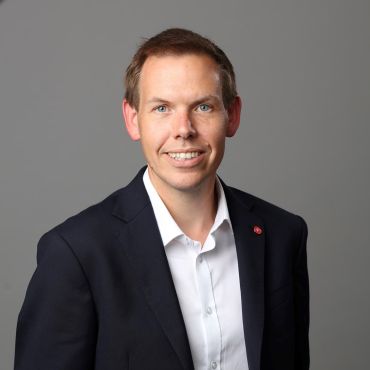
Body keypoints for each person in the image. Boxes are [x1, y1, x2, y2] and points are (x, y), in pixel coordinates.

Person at [14, 28, 309, 370]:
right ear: (132, 119)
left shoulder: (282, 235)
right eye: (162, 108)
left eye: (202, 106)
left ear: (233, 115)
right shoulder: (76, 253)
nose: (184, 129)